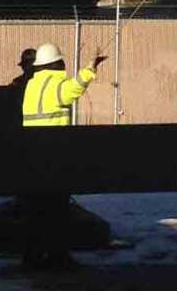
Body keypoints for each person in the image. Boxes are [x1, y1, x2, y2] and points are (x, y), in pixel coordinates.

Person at [16, 42, 108, 267]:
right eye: (61, 61)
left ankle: (32, 257)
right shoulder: (54, 83)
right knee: (56, 211)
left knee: (35, 211)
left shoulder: (32, 86)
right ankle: (57, 257)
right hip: (53, 158)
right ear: (55, 63)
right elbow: (74, 88)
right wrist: (91, 67)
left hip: (32, 158)